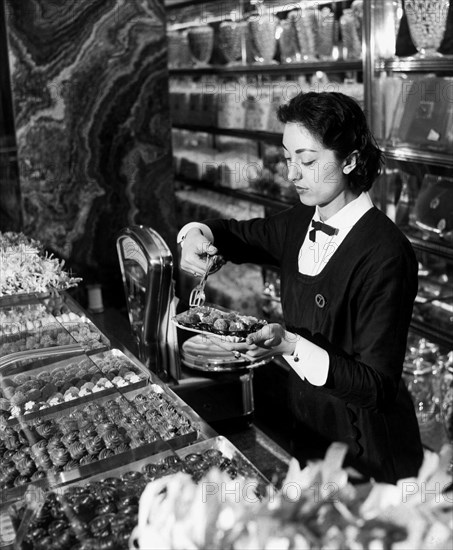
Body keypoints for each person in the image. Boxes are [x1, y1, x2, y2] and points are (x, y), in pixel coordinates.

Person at [178, 91, 424, 483]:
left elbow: (377, 386)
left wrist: (289, 345)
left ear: (350, 160)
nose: (292, 174)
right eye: (288, 158)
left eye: (307, 161)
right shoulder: (298, 223)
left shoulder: (386, 253)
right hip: (311, 437)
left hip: (370, 454)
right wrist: (194, 235)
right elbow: (232, 235)